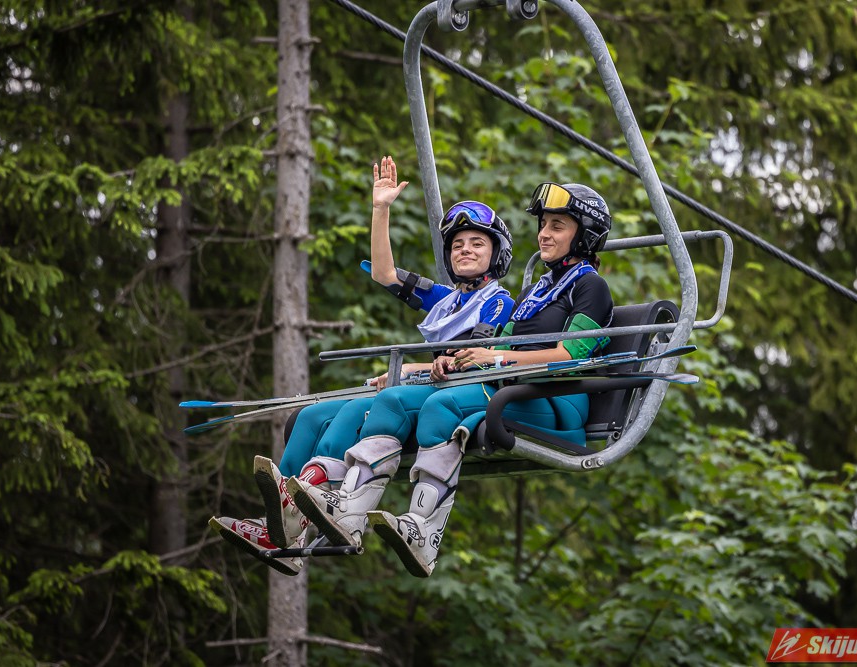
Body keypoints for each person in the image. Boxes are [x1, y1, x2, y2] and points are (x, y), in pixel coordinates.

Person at [290, 181, 614, 577]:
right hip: (513, 387)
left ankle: (423, 529)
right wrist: (446, 365)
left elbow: (571, 356)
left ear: (585, 234)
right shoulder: (538, 290)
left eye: (557, 226)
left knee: (441, 403)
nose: (544, 233)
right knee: (399, 400)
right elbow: (499, 348)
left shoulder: (590, 287)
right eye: (543, 224)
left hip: (556, 399)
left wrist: (495, 357)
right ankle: (355, 510)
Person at [210, 156, 515, 575]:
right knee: (311, 415)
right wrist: (380, 209)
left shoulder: (498, 302)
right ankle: (285, 519)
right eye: (458, 244)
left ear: (496, 254)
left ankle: (322, 503)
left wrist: (407, 372)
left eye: (477, 243)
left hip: (448, 395)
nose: (465, 250)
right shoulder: (445, 301)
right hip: (425, 387)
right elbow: (384, 273)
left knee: (359, 408)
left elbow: (470, 359)